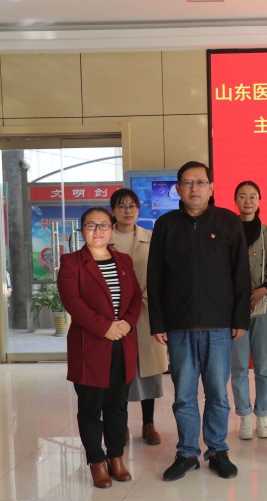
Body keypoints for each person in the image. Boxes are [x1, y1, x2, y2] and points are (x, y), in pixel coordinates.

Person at [147, 161, 251, 482]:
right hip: (178, 325)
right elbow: (155, 277)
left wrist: (240, 318)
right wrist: (158, 322)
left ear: (211, 187)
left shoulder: (229, 222)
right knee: (184, 393)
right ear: (178, 189)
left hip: (219, 324)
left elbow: (241, 274)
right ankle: (187, 453)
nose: (194, 188)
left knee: (218, 392)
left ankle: (218, 450)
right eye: (188, 183)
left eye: (200, 182)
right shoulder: (166, 225)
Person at [57, 207, 142, 489]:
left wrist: (127, 323)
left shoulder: (123, 260)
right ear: (82, 230)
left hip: (122, 344)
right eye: (91, 225)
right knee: (91, 408)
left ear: (112, 229)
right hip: (90, 346)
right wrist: (105, 327)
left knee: (118, 405)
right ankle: (97, 461)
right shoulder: (71, 263)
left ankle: (116, 457)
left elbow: (135, 296)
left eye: (104, 225)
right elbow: (73, 303)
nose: (98, 231)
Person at [109, 188, 167, 446]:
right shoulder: (105, 240)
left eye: (132, 206)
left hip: (145, 311)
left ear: (138, 209)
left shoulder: (151, 238)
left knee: (147, 370)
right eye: (121, 206)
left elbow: (161, 275)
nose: (127, 211)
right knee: (119, 370)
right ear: (113, 211)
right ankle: (120, 424)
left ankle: (148, 423)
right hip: (116, 316)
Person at [231, 181, 267, 440]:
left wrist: (265, 289)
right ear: (235, 201)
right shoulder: (228, 230)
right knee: (238, 366)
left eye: (252, 196)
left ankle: (263, 414)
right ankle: (244, 416)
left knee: (263, 365)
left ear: (259, 200)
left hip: (264, 307)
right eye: (242, 196)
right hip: (234, 309)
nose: (247, 200)